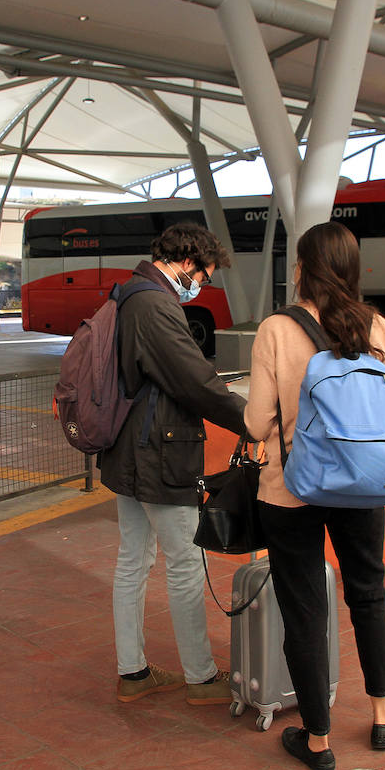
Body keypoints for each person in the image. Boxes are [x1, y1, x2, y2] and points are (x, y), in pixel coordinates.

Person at [244, 222, 385, 770]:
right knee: (369, 593)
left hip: (291, 488)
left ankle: (317, 740)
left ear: (302, 269)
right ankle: (384, 714)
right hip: (363, 485)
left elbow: (257, 419)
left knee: (305, 609)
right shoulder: (379, 327)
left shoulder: (276, 328)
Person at [99, 223, 248, 705]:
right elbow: (195, 382)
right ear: (188, 262)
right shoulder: (156, 304)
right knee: (185, 563)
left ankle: (134, 672)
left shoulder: (129, 294)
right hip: (160, 455)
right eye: (203, 276)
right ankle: (201, 679)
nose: (200, 286)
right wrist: (252, 420)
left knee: (133, 562)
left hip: (129, 450)